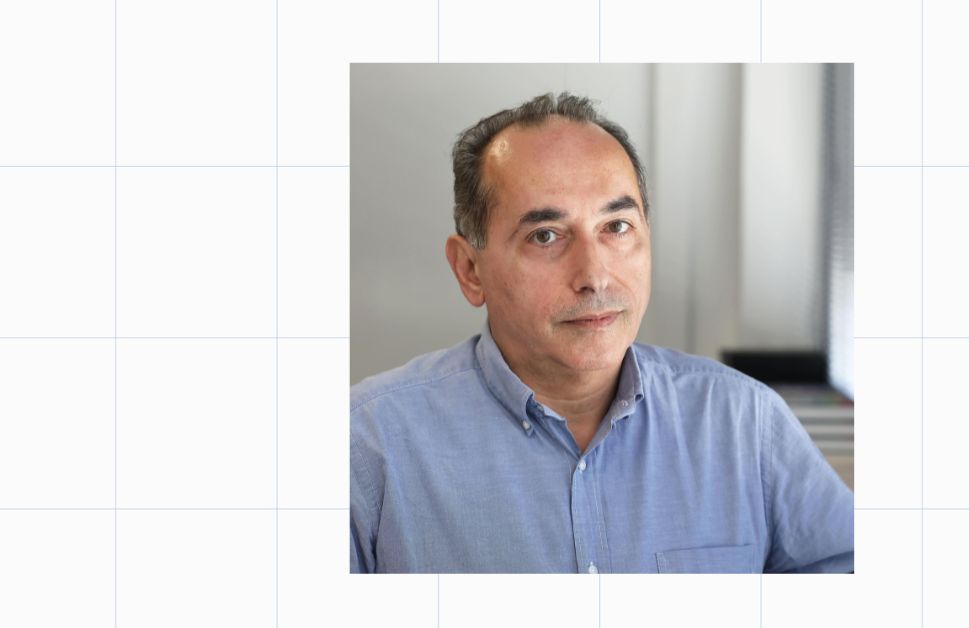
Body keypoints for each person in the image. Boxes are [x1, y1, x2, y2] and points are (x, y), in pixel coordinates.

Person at [350, 92, 853, 573]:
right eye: (545, 235)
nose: (594, 276)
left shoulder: (745, 423)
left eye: (616, 227)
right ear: (470, 270)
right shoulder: (367, 446)